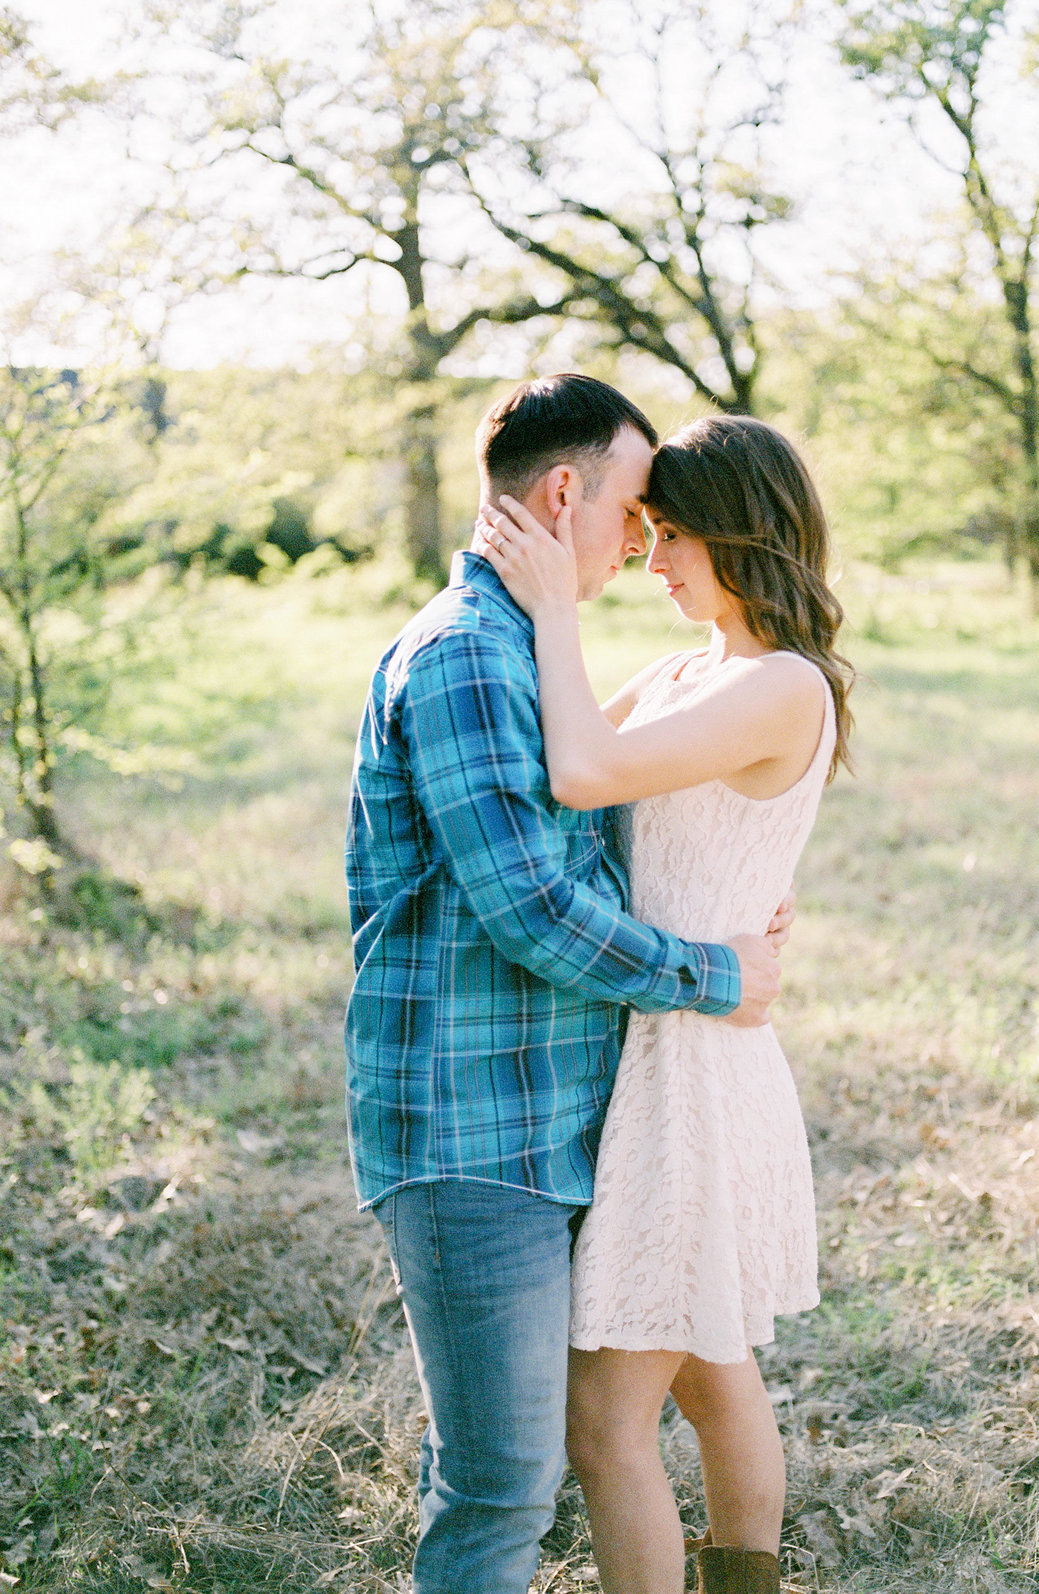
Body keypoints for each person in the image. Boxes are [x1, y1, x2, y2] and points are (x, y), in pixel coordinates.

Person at [344, 375, 792, 1594]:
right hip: (476, 1128)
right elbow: (536, 907)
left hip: (564, 1115)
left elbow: (602, 818)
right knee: (500, 1484)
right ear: (561, 495)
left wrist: (732, 898)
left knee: (644, 1397)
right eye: (635, 511)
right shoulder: (469, 658)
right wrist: (715, 967)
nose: (643, 544)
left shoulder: (519, 647)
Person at [476, 412, 854, 1594]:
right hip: (663, 1041)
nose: (652, 557)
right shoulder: (698, 668)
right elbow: (561, 754)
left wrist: (554, 607)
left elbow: (589, 768)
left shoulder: (781, 684)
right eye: (645, 529)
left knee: (604, 1417)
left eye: (675, 532)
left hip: (694, 1066)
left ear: (747, 530)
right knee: (707, 1365)